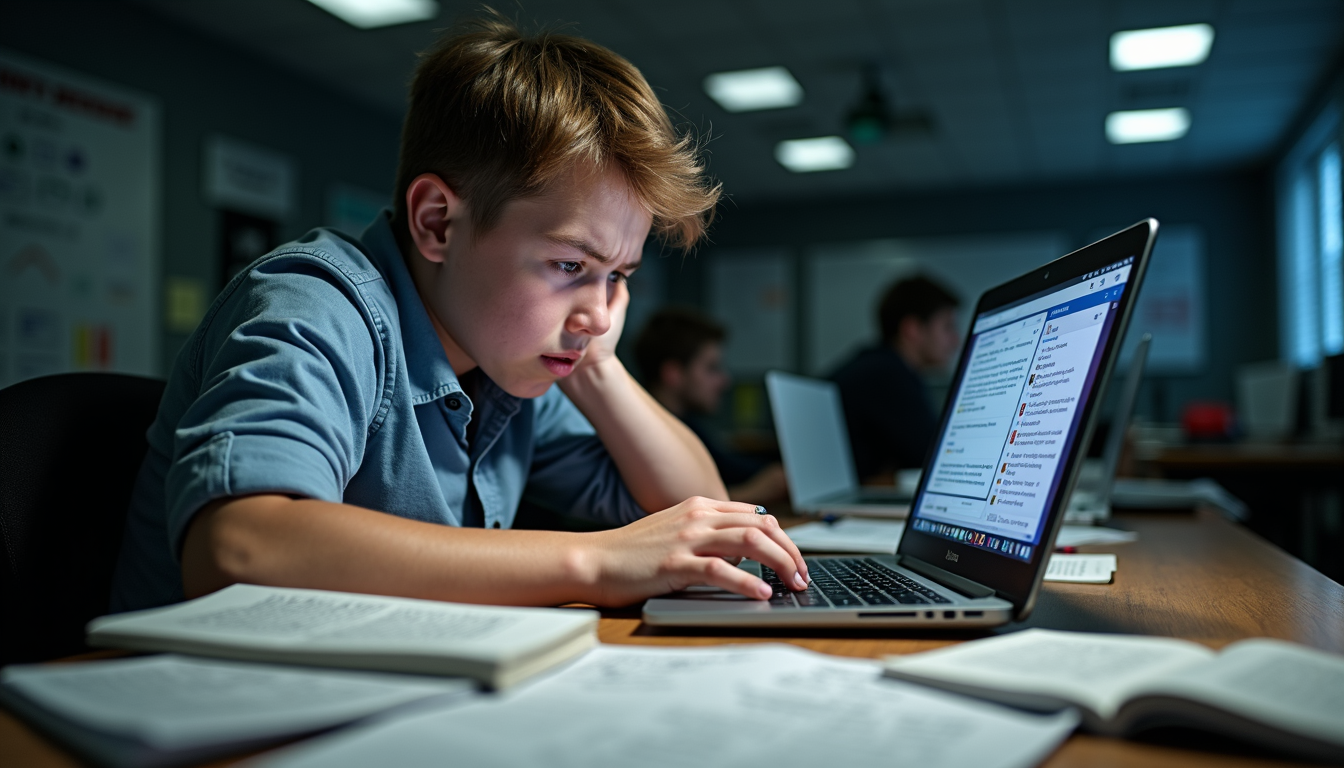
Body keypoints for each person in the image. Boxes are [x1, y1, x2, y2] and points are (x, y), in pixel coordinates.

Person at [109, 14, 809, 614]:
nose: (600, 310)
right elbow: (237, 547)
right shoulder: (319, 303)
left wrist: (593, 362)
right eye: (569, 265)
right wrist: (593, 562)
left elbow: (702, 511)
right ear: (438, 223)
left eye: (619, 276)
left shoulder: (508, 361)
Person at [633, 308, 789, 505]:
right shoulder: (645, 439)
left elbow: (733, 467)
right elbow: (667, 510)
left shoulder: (690, 426)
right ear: (673, 374)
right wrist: (750, 493)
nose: (724, 380)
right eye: (712, 368)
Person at [830, 276, 961, 481]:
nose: (955, 340)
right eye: (947, 327)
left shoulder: (876, 363)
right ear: (913, 330)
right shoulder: (888, 376)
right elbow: (932, 457)